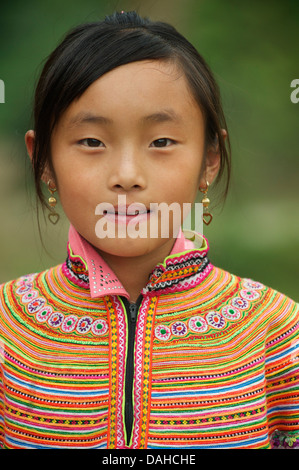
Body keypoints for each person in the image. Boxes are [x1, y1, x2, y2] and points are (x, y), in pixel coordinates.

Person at [0, 10, 298, 450]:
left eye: (161, 142)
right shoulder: (7, 329)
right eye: (91, 142)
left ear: (209, 159)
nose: (126, 174)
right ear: (42, 160)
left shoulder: (277, 332)